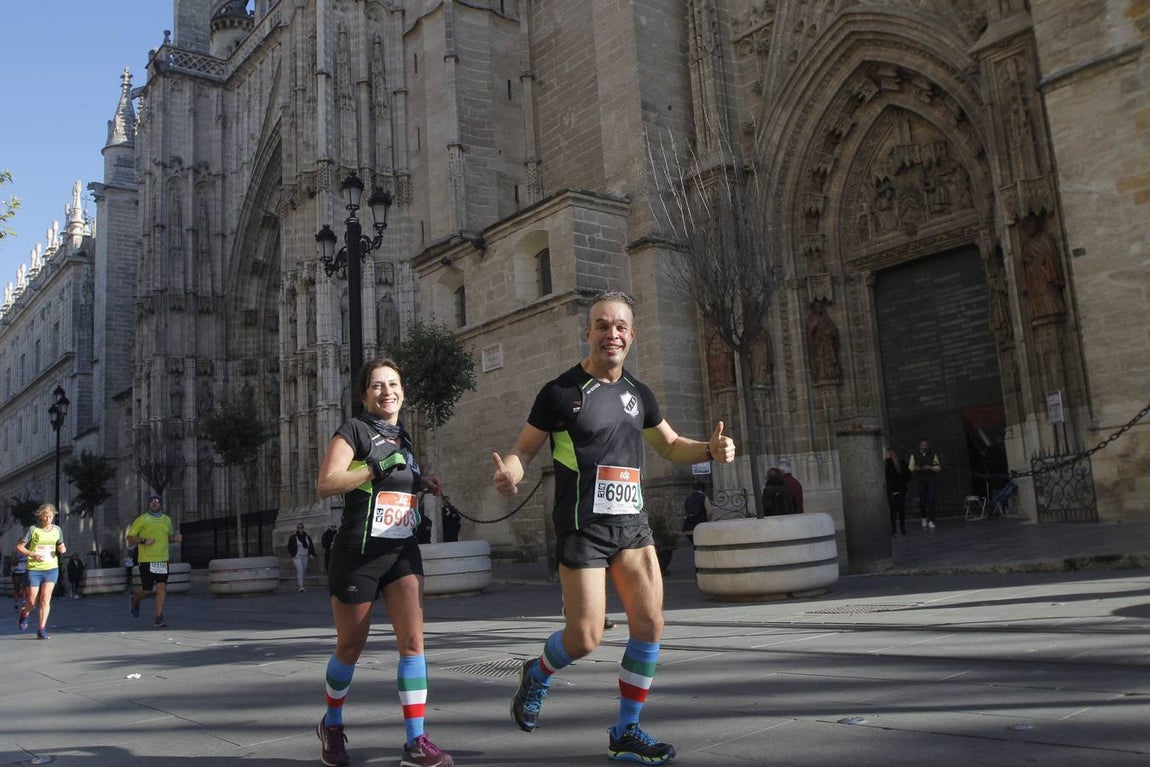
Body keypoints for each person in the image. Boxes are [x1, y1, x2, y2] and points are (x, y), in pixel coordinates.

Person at [492, 290, 735, 765]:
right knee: (584, 637)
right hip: (582, 528)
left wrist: (709, 448)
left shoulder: (639, 394)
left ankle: (626, 730)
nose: (612, 334)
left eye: (621, 326)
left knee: (650, 623)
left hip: (632, 526)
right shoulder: (561, 392)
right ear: (588, 333)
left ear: (632, 335)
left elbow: (669, 445)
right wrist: (511, 474)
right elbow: (524, 449)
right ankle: (537, 673)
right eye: (602, 325)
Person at [315, 359, 453, 767]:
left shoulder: (403, 438)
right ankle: (332, 724)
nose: (387, 392)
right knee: (350, 646)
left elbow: (395, 483)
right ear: (364, 395)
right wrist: (374, 468)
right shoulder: (354, 430)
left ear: (403, 392)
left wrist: (421, 482)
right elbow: (326, 484)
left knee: (413, 643)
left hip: (402, 550)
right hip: (358, 554)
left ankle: (416, 740)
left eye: (393, 384)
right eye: (377, 385)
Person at [127, 494, 183, 628]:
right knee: (147, 590)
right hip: (147, 560)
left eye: (157, 502)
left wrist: (174, 538)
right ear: (149, 504)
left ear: (161, 504)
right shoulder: (142, 519)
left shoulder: (167, 520)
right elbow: (130, 537)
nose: (154, 504)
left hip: (162, 560)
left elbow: (166, 537)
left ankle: (159, 618)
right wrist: (143, 541)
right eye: (152, 502)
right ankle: (135, 599)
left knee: (161, 588)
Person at [15, 504, 66, 639]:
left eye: (50, 516)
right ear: (40, 516)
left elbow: (61, 544)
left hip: (51, 568)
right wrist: (32, 554)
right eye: (45, 516)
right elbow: (19, 547)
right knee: (32, 601)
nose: (48, 519)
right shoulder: (33, 530)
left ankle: (41, 629)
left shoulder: (57, 530)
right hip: (34, 569)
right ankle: (25, 612)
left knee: (45, 599)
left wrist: (62, 548)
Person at [909, 438, 942, 529]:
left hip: (931, 479)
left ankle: (931, 520)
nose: (924, 447)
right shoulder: (914, 454)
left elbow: (938, 467)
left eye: (926, 445)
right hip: (920, 480)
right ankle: (923, 518)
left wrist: (930, 467)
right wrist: (916, 468)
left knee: (931, 499)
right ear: (920, 446)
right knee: (922, 500)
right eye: (922, 445)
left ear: (928, 446)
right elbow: (910, 467)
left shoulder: (933, 454)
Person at [884, 448, 911, 536]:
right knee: (900, 510)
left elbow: (887, 478)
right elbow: (908, 476)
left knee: (894, 511)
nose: (885, 455)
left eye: (887, 453)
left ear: (890, 454)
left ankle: (894, 530)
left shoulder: (888, 465)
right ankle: (902, 529)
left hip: (893, 490)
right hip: (899, 489)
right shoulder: (900, 463)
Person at [287, 523, 316, 592]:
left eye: (302, 527)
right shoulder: (294, 537)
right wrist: (292, 553)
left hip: (305, 556)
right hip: (297, 556)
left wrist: (312, 553)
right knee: (300, 569)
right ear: (297, 529)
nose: (301, 529)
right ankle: (301, 586)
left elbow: (311, 545)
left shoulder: (307, 536)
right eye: (299, 528)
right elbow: (289, 546)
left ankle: (300, 582)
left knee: (304, 570)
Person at [681, 482, 708, 547]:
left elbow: (685, 511)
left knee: (695, 545)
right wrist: (707, 521)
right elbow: (710, 512)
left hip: (687, 528)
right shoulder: (704, 498)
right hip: (700, 527)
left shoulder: (688, 498)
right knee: (701, 546)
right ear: (703, 490)